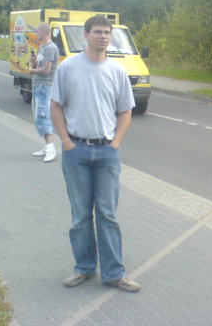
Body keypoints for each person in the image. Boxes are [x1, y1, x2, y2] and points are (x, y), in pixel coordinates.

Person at [50, 15, 141, 293]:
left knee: (107, 215)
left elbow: (125, 112)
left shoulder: (117, 71)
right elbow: (55, 106)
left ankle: (114, 273)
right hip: (76, 151)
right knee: (80, 215)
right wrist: (66, 141)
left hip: (106, 152)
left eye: (107, 32)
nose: (103, 36)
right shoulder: (68, 68)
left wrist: (116, 142)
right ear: (86, 35)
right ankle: (84, 268)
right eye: (98, 32)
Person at [29, 22, 59, 162]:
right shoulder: (41, 47)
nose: (36, 34)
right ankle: (47, 146)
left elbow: (47, 70)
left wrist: (32, 70)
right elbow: (38, 66)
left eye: (37, 32)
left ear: (43, 32)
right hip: (37, 85)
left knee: (42, 116)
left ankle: (51, 149)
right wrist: (33, 62)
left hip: (45, 86)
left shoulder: (51, 48)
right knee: (38, 117)